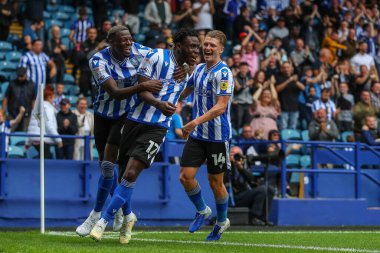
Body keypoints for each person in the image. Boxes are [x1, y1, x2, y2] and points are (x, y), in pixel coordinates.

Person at [89, 28, 200, 244]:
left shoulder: (191, 69)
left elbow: (186, 89)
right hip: (133, 119)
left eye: (198, 47)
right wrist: (159, 102)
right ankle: (128, 219)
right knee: (121, 173)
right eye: (193, 46)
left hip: (157, 127)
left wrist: (187, 69)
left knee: (131, 174)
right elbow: (142, 89)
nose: (197, 50)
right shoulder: (155, 56)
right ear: (178, 46)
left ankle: (103, 220)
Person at [75, 26, 163, 238]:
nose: (128, 44)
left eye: (130, 40)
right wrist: (143, 86)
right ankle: (126, 212)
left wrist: (184, 66)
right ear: (110, 42)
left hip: (127, 116)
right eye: (123, 41)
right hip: (104, 114)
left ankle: (96, 215)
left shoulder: (139, 51)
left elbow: (163, 55)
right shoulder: (98, 60)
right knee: (106, 169)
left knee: (112, 164)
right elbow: (114, 92)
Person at [178, 30, 233, 241]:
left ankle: (221, 222)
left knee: (215, 183)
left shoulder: (224, 73)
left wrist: (192, 122)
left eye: (212, 45)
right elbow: (185, 90)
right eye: (206, 44)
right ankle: (202, 210)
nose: (207, 48)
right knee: (185, 177)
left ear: (221, 49)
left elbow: (221, 107)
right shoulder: (199, 69)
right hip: (198, 135)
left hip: (218, 137)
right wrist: (172, 100)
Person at [227, 146, 275, 225]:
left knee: (270, 189)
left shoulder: (244, 165)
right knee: (262, 189)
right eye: (233, 154)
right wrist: (232, 164)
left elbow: (252, 180)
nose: (236, 157)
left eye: (238, 155)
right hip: (235, 197)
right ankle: (254, 217)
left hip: (246, 194)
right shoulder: (227, 166)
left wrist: (241, 168)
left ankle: (263, 218)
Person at [27, 87, 63, 159]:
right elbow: (48, 125)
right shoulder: (47, 107)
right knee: (46, 163)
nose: (54, 100)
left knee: (44, 161)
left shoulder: (37, 107)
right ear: (49, 97)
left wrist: (27, 141)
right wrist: (58, 140)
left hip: (34, 138)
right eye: (53, 97)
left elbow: (34, 124)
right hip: (42, 139)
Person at [1, 67, 36, 132]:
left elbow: (33, 101)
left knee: (24, 134)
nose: (20, 78)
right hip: (13, 114)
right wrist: (3, 111)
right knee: (7, 131)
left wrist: (35, 114)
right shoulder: (12, 84)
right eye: (18, 76)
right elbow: (6, 98)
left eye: (21, 76)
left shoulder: (31, 85)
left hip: (26, 115)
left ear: (25, 75)